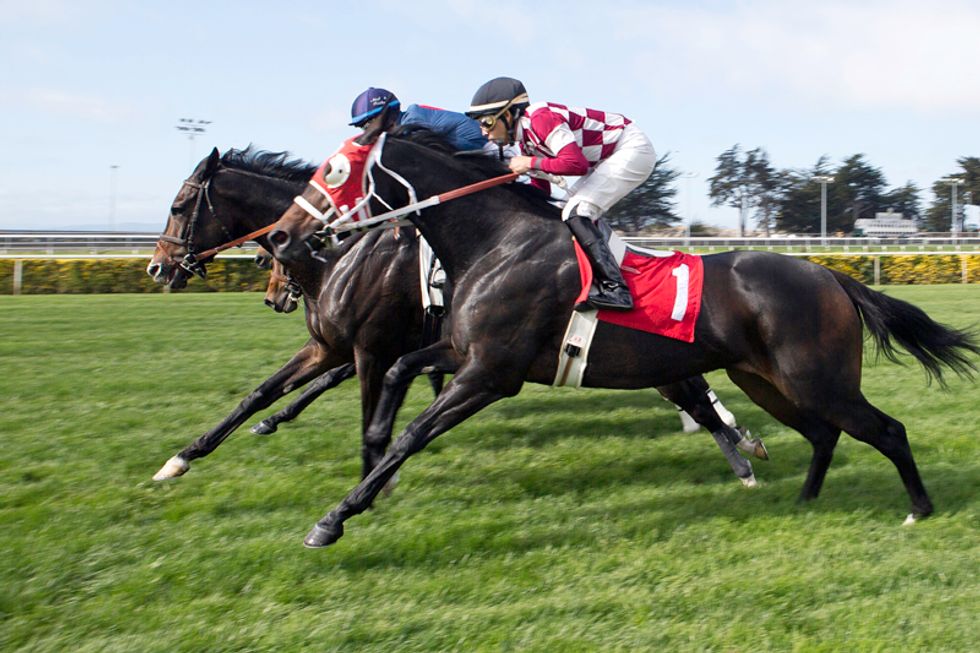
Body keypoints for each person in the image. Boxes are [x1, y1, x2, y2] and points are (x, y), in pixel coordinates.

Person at [467, 77, 657, 311]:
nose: (483, 132)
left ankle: (616, 289)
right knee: (560, 212)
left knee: (577, 211)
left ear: (507, 115)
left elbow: (576, 164)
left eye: (486, 122)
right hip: (607, 158)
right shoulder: (526, 140)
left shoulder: (541, 119)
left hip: (631, 149)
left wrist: (529, 163)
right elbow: (542, 190)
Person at [349, 87, 489, 153]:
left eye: (367, 126)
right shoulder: (407, 121)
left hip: (489, 150)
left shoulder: (412, 122)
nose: (367, 132)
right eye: (362, 128)